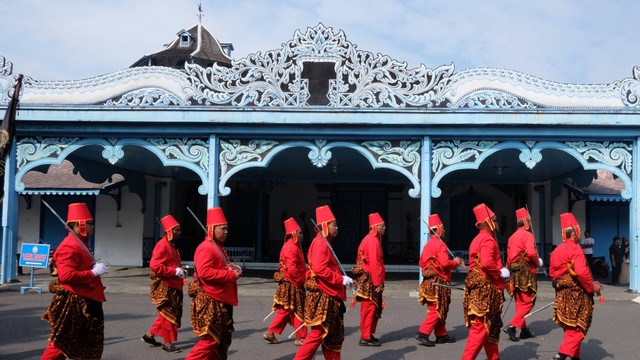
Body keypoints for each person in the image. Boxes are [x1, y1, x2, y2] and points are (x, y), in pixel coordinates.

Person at [41, 203, 110, 360]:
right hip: (77, 300)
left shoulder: (81, 242)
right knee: (61, 343)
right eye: (89, 223)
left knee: (85, 342)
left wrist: (95, 268)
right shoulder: (69, 246)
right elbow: (66, 276)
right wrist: (93, 272)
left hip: (89, 297)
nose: (92, 226)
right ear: (78, 225)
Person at [294, 205, 353, 360]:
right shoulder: (320, 243)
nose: (337, 227)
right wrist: (340, 279)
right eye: (334, 224)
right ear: (325, 226)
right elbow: (320, 269)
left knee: (332, 336)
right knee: (318, 334)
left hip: (331, 294)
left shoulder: (325, 242)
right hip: (324, 295)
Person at [185, 207, 243, 360]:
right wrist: (230, 274)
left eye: (227, 229)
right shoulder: (206, 248)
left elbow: (217, 267)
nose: (226, 232)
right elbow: (205, 272)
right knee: (211, 341)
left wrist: (230, 268)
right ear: (212, 228)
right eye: (222, 228)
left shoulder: (217, 247)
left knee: (221, 341)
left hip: (220, 299)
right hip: (211, 299)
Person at [549, 212, 602, 360]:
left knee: (570, 326)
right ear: (575, 232)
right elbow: (581, 272)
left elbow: (552, 274)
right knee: (580, 325)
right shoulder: (575, 249)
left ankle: (575, 356)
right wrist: (592, 287)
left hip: (562, 294)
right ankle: (561, 355)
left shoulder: (557, 250)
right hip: (577, 293)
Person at [461, 203, 509, 360]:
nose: (497, 223)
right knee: (481, 329)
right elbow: (488, 263)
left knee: (490, 329)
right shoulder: (487, 240)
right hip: (486, 289)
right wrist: (500, 272)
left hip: (482, 287)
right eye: (494, 220)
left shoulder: (479, 238)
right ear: (488, 221)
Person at [416, 213, 463, 347]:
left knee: (439, 307)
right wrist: (455, 262)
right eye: (443, 228)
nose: (444, 231)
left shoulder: (428, 245)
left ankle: (441, 335)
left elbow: (421, 262)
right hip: (439, 281)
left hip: (429, 282)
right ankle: (423, 333)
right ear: (439, 229)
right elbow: (443, 263)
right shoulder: (440, 245)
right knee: (437, 309)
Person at [141, 214, 185, 353]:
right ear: (169, 231)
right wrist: (174, 272)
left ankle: (150, 336)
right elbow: (155, 265)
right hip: (167, 285)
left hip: (174, 283)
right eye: (177, 230)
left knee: (164, 314)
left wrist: (179, 271)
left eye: (179, 229)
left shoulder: (172, 244)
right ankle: (168, 343)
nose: (179, 232)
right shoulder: (162, 245)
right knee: (169, 315)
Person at [263, 217, 308, 346]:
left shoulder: (292, 246)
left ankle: (272, 332)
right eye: (299, 232)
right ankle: (300, 337)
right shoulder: (291, 248)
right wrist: (303, 280)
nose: (301, 235)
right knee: (297, 309)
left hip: (290, 282)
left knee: (288, 309)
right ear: (293, 234)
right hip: (292, 283)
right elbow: (293, 269)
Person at [503, 207, 542, 342]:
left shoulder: (512, 237)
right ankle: (513, 326)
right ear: (526, 222)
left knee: (520, 301)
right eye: (529, 221)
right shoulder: (528, 235)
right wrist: (537, 262)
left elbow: (508, 258)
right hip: (525, 271)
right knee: (528, 301)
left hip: (514, 271)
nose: (530, 224)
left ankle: (524, 329)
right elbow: (531, 253)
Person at [352, 212, 387, 346]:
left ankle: (368, 334)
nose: (384, 228)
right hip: (370, 280)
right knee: (369, 308)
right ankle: (365, 337)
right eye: (382, 226)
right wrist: (378, 283)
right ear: (375, 227)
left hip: (369, 278)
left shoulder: (370, 239)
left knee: (370, 308)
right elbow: (374, 263)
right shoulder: (373, 241)